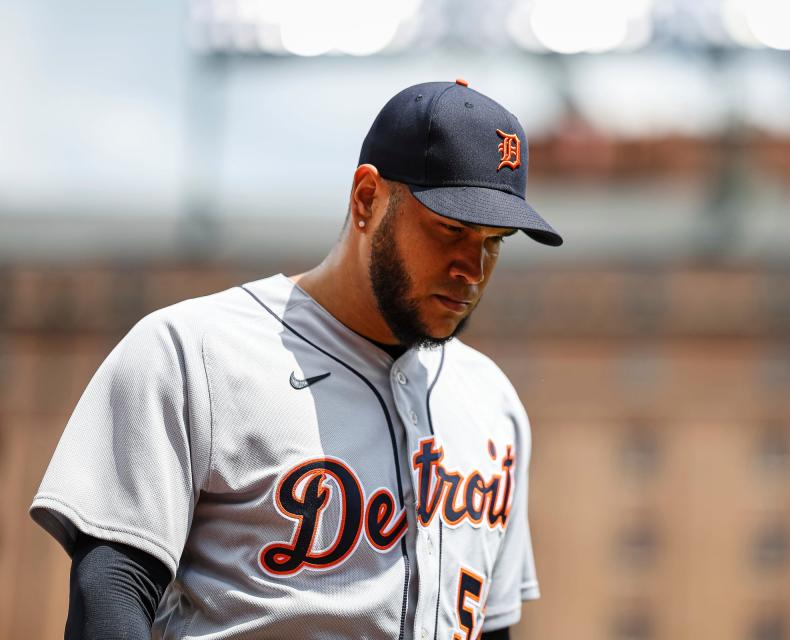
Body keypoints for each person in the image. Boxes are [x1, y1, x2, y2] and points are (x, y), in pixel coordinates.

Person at [30, 79, 562, 640]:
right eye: (451, 229)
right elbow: (110, 596)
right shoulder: (195, 352)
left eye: (494, 240)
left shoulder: (492, 402)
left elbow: (491, 626)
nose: (472, 268)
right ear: (366, 200)